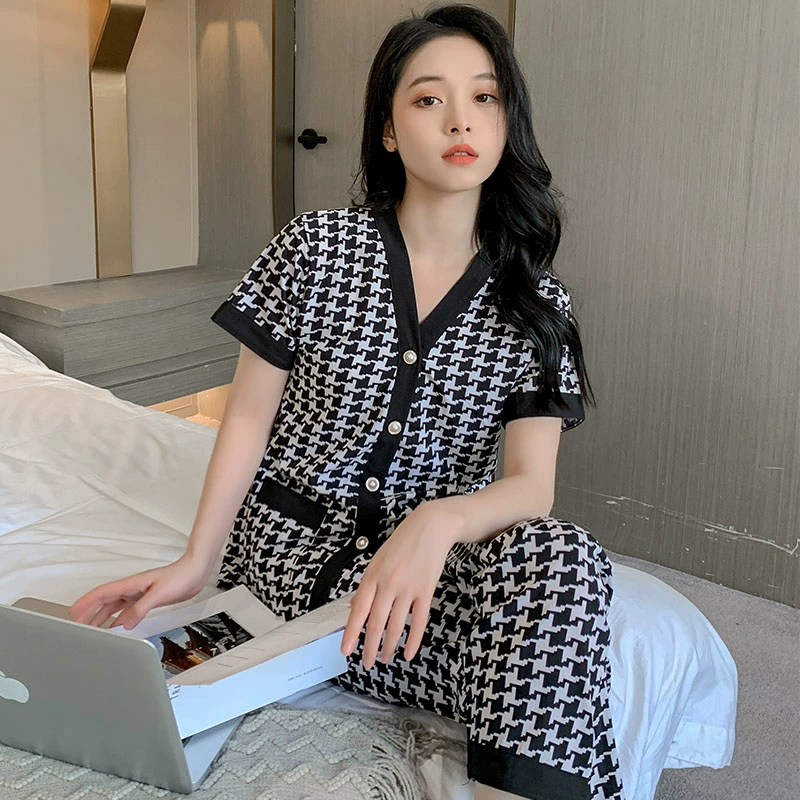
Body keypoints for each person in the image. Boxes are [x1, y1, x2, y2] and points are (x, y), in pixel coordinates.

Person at [70, 4, 624, 799]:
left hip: (411, 591)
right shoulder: (315, 248)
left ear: (509, 123)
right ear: (389, 130)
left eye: (485, 97)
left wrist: (435, 522)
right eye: (428, 99)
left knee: (563, 561)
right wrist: (195, 563)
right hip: (287, 573)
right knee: (551, 686)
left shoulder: (535, 300)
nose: (460, 119)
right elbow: (249, 419)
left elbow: (531, 487)